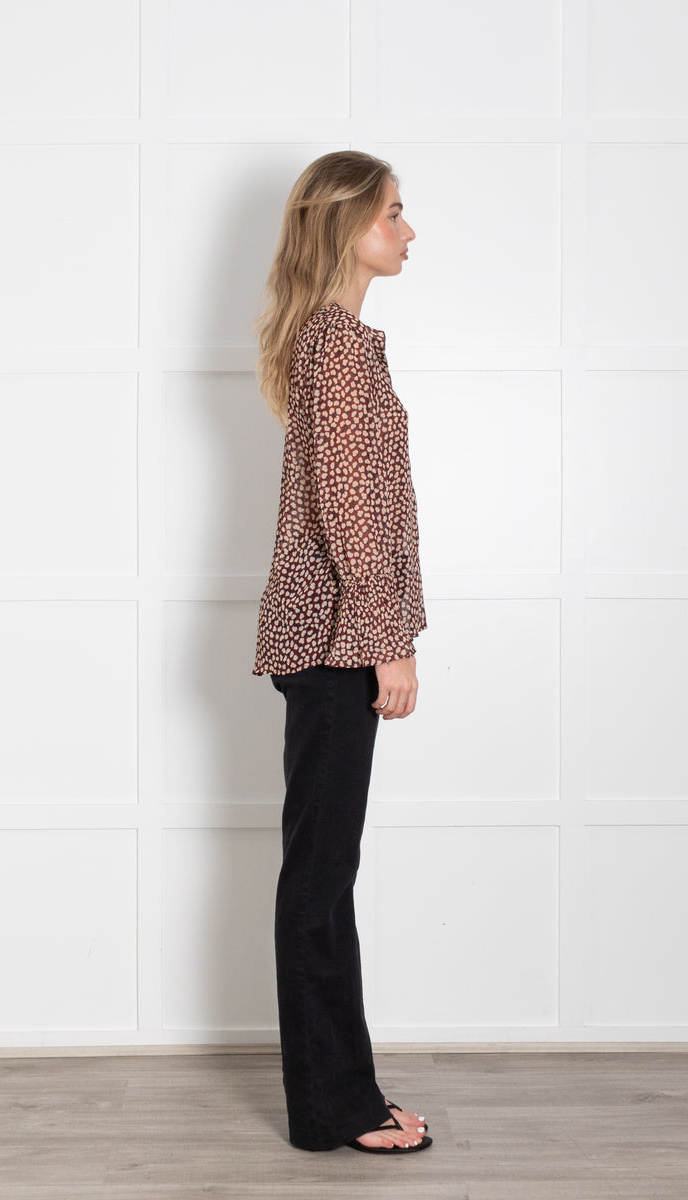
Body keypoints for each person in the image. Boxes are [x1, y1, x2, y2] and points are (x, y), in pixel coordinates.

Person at [252, 150, 433, 1155]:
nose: (410, 232)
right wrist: (387, 644)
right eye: (395, 213)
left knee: (323, 876)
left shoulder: (343, 343)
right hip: (334, 645)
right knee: (319, 882)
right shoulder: (336, 347)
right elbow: (351, 515)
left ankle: (345, 1093)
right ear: (347, 225)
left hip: (331, 643)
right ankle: (335, 1107)